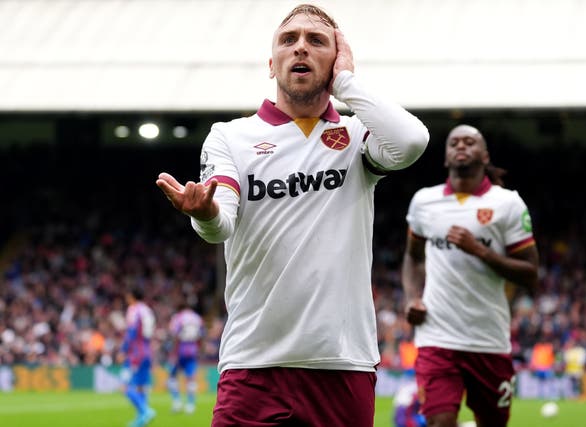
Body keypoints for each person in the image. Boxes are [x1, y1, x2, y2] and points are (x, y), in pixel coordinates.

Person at [156, 3, 430, 426]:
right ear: (272, 64)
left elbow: (411, 141)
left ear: (336, 59)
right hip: (253, 363)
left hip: (342, 363)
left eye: (316, 41)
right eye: (289, 40)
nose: (300, 48)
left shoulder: (357, 136)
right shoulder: (231, 136)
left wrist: (347, 83)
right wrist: (206, 213)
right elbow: (220, 226)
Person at [402, 124, 539, 427]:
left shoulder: (508, 204)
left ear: (485, 155)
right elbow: (412, 257)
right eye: (454, 143)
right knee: (440, 421)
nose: (461, 146)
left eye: (470, 142)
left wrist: (481, 251)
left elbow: (531, 273)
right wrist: (413, 297)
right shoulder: (425, 202)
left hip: (487, 340)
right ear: (446, 157)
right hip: (436, 337)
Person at [118, 287, 157, 427]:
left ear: (132, 297)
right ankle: (141, 419)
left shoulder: (134, 309)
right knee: (141, 386)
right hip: (147, 351)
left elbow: (132, 331)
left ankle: (145, 411)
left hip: (136, 353)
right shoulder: (148, 310)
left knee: (124, 386)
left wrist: (123, 350)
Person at [167, 301, 204, 414]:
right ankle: (190, 404)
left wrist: (173, 352)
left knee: (172, 377)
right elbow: (201, 336)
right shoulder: (198, 318)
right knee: (190, 378)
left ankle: (177, 402)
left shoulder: (178, 317)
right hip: (193, 350)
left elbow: (175, 335)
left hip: (181, 350)